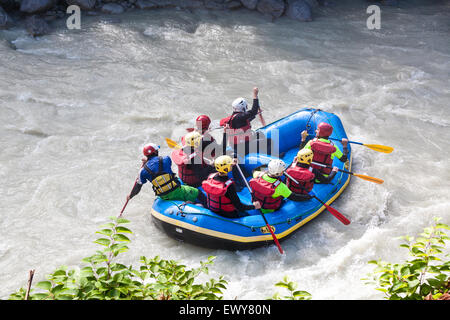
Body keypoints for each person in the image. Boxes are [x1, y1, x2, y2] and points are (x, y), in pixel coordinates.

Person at [129, 143, 207, 205]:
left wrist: (130, 196)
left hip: (163, 196)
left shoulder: (142, 171)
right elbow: (158, 164)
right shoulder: (166, 159)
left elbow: (137, 188)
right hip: (177, 191)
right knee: (199, 193)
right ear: (156, 152)